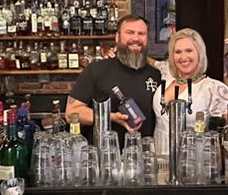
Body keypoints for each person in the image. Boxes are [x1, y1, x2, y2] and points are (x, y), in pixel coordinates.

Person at [65, 14, 161, 146]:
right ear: (117, 37)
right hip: (106, 159)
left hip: (146, 158)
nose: (136, 38)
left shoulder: (156, 75)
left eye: (141, 33)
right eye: (130, 32)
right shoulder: (96, 70)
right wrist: (111, 117)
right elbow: (71, 113)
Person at [150, 28, 228, 155]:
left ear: (199, 53)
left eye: (189, 51)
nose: (183, 57)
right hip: (158, 158)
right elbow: (148, 61)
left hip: (192, 160)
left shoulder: (213, 88)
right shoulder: (166, 74)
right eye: (178, 52)